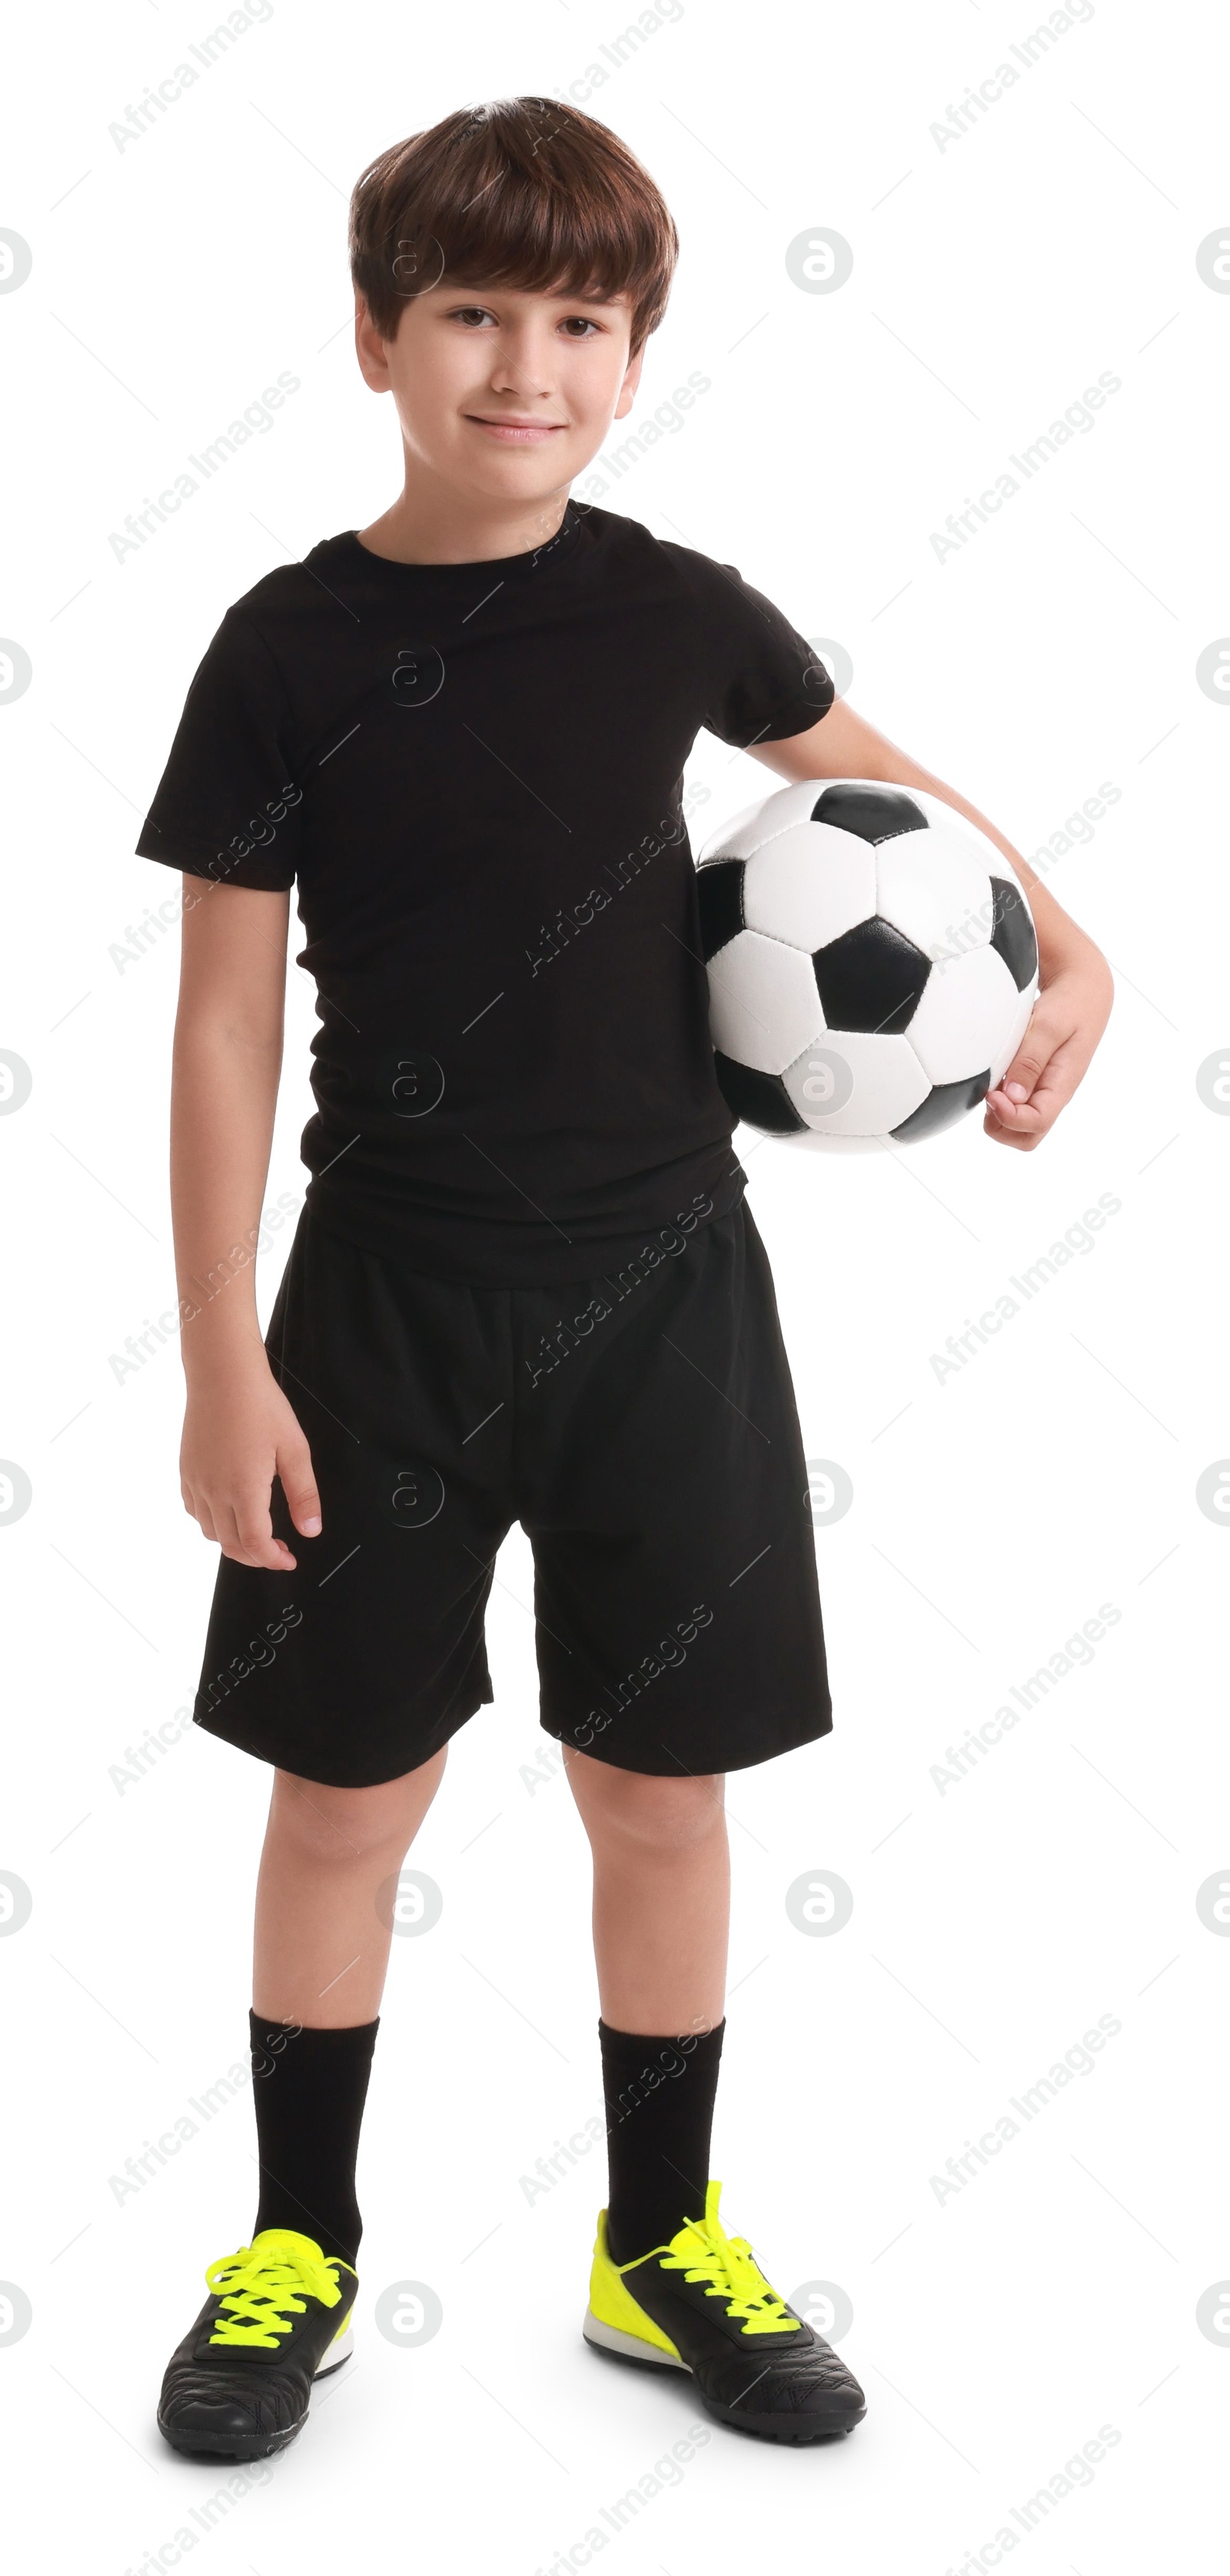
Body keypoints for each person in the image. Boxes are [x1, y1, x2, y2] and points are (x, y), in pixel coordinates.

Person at [138, 97, 1113, 2461]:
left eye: (580, 319)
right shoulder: (283, 646)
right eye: (473, 311)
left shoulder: (671, 602)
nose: (525, 365)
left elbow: (884, 804)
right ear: (376, 337)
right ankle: (297, 2248)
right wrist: (218, 1363)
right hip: (377, 1306)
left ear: (636, 353)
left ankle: (657, 2240)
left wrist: (1070, 940)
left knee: (660, 1795)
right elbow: (223, 1018)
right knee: (341, 1798)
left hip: (668, 1294)